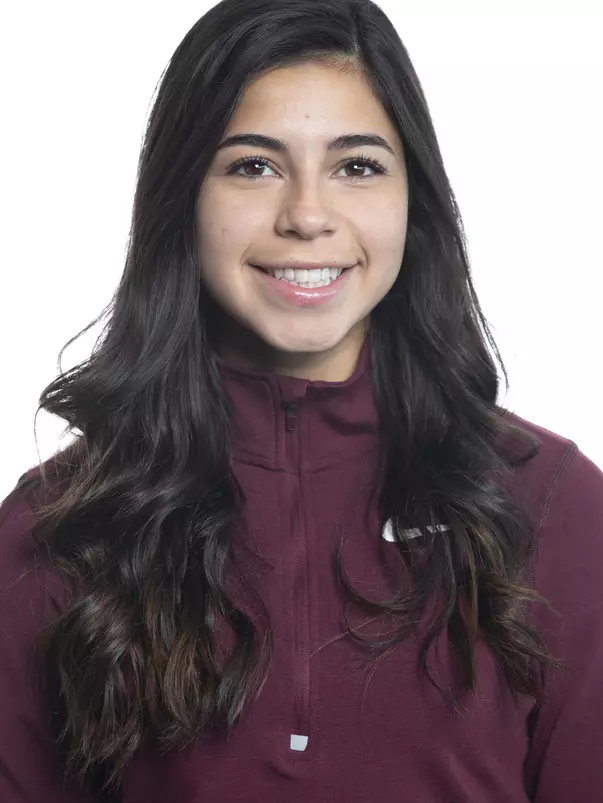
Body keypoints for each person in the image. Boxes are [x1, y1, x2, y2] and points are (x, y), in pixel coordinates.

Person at [1, 0, 602, 800]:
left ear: (411, 199)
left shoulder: (551, 507)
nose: (308, 216)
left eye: (357, 166)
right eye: (253, 165)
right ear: (184, 197)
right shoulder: (55, 529)